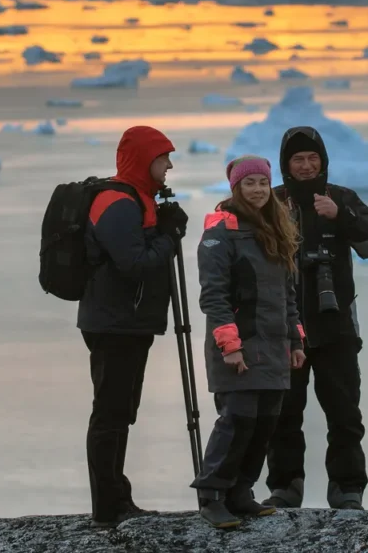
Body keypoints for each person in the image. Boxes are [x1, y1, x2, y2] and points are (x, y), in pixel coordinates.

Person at [264, 127, 368, 511]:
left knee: (345, 414)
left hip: (336, 327)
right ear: (286, 165)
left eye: (312, 158)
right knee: (283, 415)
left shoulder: (341, 198)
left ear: (323, 161)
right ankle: (286, 488)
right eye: (297, 159)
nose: (305, 165)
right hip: (284, 328)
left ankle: (347, 489)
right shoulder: (271, 201)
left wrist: (341, 217)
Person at [77, 125, 189, 526]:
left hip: (126, 320)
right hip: (114, 323)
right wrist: (170, 235)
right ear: (145, 159)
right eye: (163, 158)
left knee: (121, 410)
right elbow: (133, 262)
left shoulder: (139, 198)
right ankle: (107, 506)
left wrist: (162, 227)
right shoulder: (117, 201)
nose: (169, 165)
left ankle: (116, 497)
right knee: (110, 412)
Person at [193, 155, 305, 529]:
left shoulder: (276, 226)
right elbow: (214, 296)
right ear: (236, 187)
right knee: (238, 420)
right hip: (240, 345)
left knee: (265, 423)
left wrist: (296, 339)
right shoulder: (220, 232)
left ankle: (241, 492)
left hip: (274, 345)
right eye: (249, 183)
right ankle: (212, 496)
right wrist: (230, 346)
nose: (257, 190)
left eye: (262, 182)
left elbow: (287, 293)